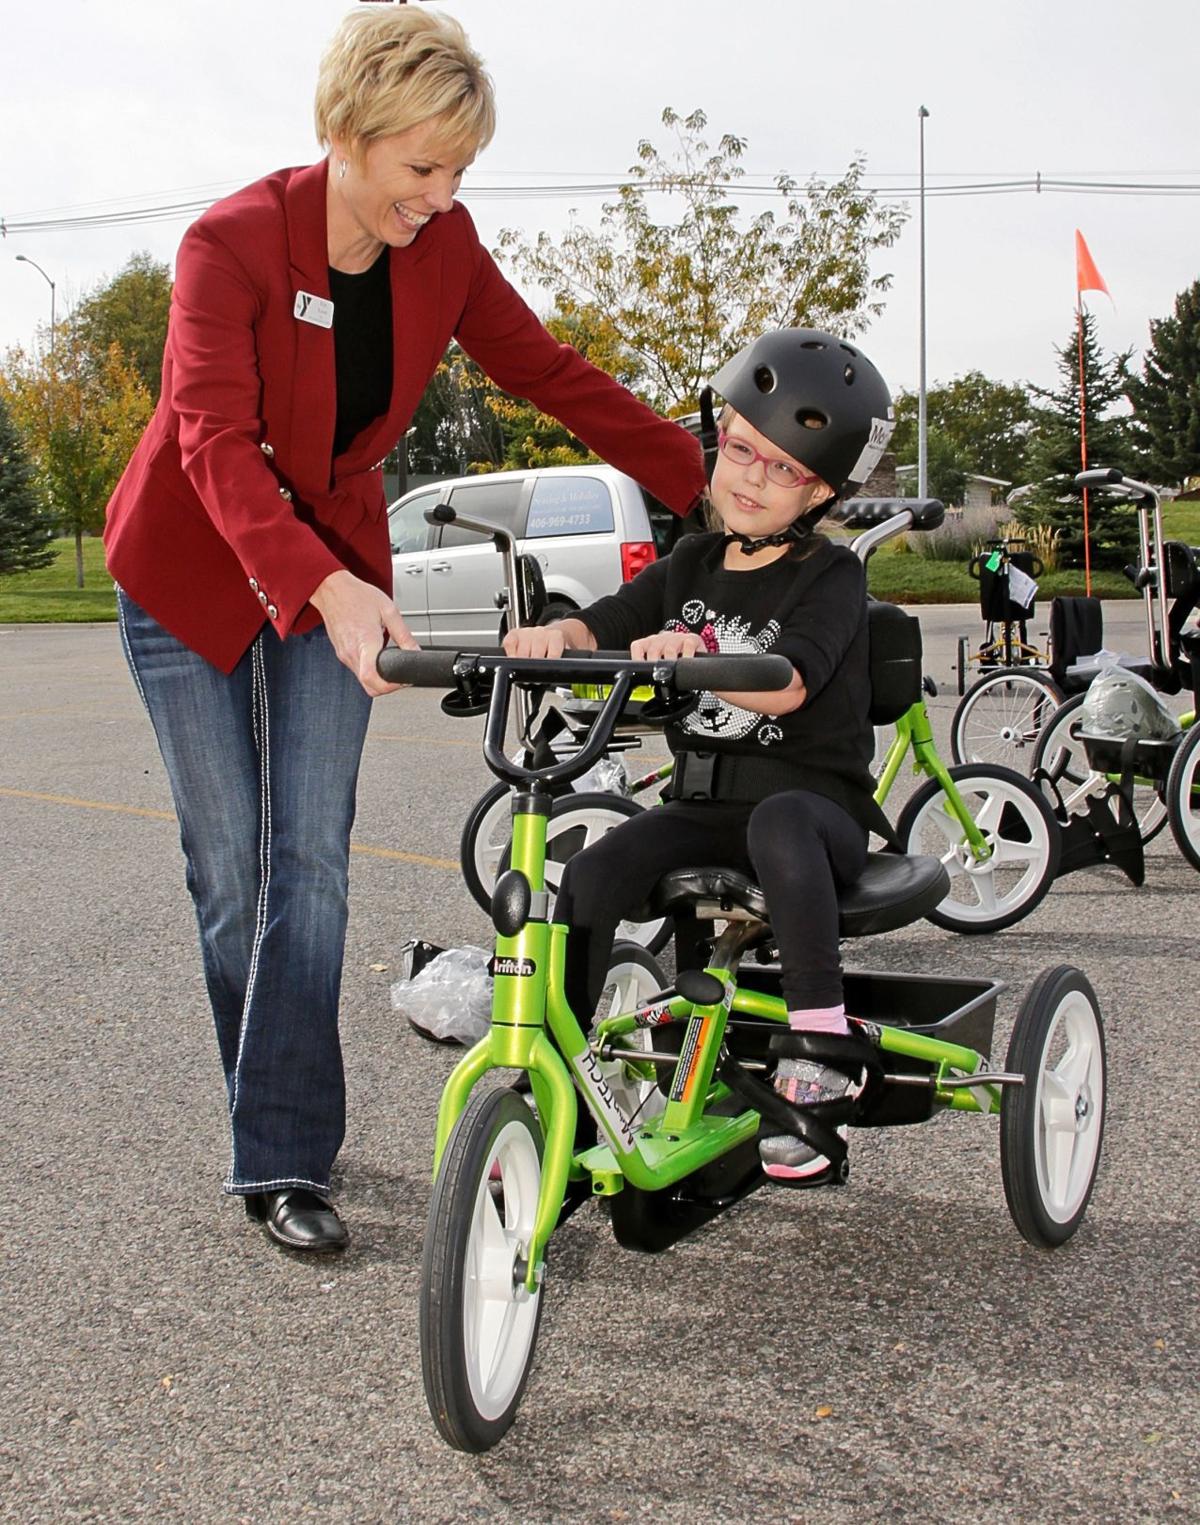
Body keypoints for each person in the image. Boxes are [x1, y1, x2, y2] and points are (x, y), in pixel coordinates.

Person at [104, 5, 704, 1255]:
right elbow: (210, 437)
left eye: (458, 171)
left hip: (335, 567)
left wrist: (711, 481)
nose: (437, 195)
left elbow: (549, 372)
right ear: (346, 132)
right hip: (191, 563)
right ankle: (263, 1105)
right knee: (231, 879)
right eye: (418, 166)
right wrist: (318, 588)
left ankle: (282, 1155)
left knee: (309, 863)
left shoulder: (444, 249)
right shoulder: (230, 243)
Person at [503, 328, 894, 1181]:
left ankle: (820, 1046)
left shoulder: (832, 578)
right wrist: (552, 637)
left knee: (783, 824)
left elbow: (792, 678)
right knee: (594, 874)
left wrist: (693, 655)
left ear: (820, 490)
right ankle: (554, 1091)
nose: (753, 477)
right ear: (719, 444)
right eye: (745, 451)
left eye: (784, 468)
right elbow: (607, 620)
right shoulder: (691, 560)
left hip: (813, 814)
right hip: (705, 810)